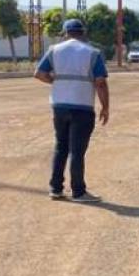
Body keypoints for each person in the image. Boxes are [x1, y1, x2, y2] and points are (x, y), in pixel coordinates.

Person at [34, 18, 110, 201]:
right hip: (82, 106)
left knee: (61, 147)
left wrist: (56, 82)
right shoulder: (92, 53)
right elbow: (100, 83)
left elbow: (39, 74)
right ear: (83, 32)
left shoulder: (54, 50)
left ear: (65, 32)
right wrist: (105, 107)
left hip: (59, 106)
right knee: (77, 150)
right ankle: (78, 191)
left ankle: (56, 188)